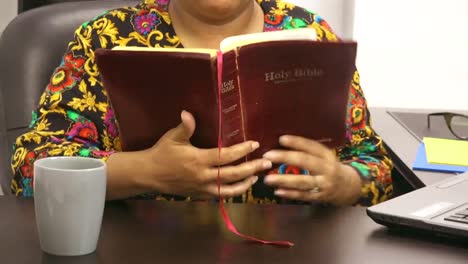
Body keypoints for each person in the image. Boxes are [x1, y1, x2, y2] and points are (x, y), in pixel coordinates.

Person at [10, 0, 393, 206]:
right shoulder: (105, 39)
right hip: (139, 251)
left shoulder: (310, 37)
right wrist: (144, 171)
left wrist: (341, 182)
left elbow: (376, 165)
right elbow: (31, 169)